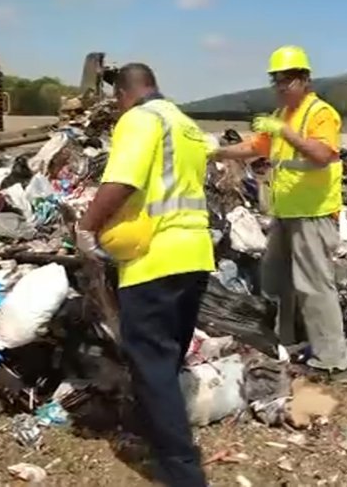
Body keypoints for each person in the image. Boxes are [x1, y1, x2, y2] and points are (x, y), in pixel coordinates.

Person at [75, 63, 214, 486]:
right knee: (166, 360)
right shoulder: (184, 123)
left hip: (154, 259)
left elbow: (122, 182)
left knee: (151, 363)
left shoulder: (139, 119)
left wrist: (86, 227)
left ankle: (184, 474)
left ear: (122, 95)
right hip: (196, 254)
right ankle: (153, 430)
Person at [210, 46, 347, 375]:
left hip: (314, 213)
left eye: (287, 80)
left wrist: (285, 133)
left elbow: (321, 155)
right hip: (287, 213)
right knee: (273, 280)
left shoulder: (320, 113)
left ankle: (332, 361)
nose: (281, 86)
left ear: (304, 79)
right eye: (276, 80)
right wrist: (215, 153)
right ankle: (283, 343)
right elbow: (254, 147)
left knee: (314, 285)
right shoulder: (281, 115)